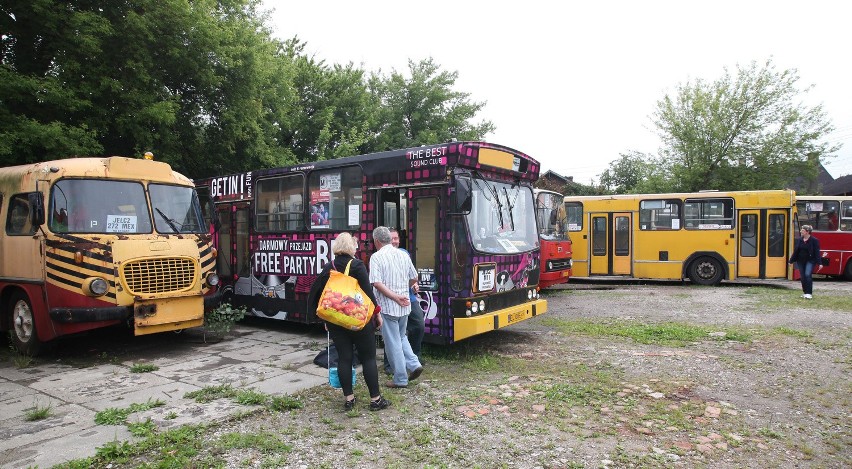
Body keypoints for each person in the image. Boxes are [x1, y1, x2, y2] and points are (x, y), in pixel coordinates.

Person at [307, 232, 390, 411]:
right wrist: (377, 314)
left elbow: (320, 292)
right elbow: (368, 293)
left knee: (344, 358)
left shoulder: (329, 266)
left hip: (337, 322)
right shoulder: (358, 265)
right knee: (368, 358)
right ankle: (375, 400)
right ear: (351, 247)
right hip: (359, 320)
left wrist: (325, 318)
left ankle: (349, 399)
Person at [369, 226, 423, 388]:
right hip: (405, 306)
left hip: (388, 306)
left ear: (377, 241)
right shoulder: (402, 255)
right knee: (401, 337)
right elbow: (414, 277)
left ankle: (400, 378)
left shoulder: (376, 257)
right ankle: (414, 364)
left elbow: (376, 283)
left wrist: (394, 296)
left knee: (393, 342)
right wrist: (402, 290)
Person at [381, 229, 425, 373]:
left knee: (418, 325)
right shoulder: (380, 256)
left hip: (408, 297)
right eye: (392, 238)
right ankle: (390, 365)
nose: (394, 241)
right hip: (391, 299)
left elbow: (411, 275)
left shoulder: (404, 253)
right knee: (393, 334)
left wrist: (413, 285)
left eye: (396, 238)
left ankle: (414, 359)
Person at [788, 225, 821, 299]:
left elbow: (817, 252)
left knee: (807, 274)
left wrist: (820, 263)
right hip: (800, 261)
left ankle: (809, 293)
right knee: (802, 277)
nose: (800, 232)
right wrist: (791, 261)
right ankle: (805, 292)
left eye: (802, 230)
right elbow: (796, 251)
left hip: (810, 260)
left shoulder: (814, 240)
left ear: (807, 232)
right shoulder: (800, 240)